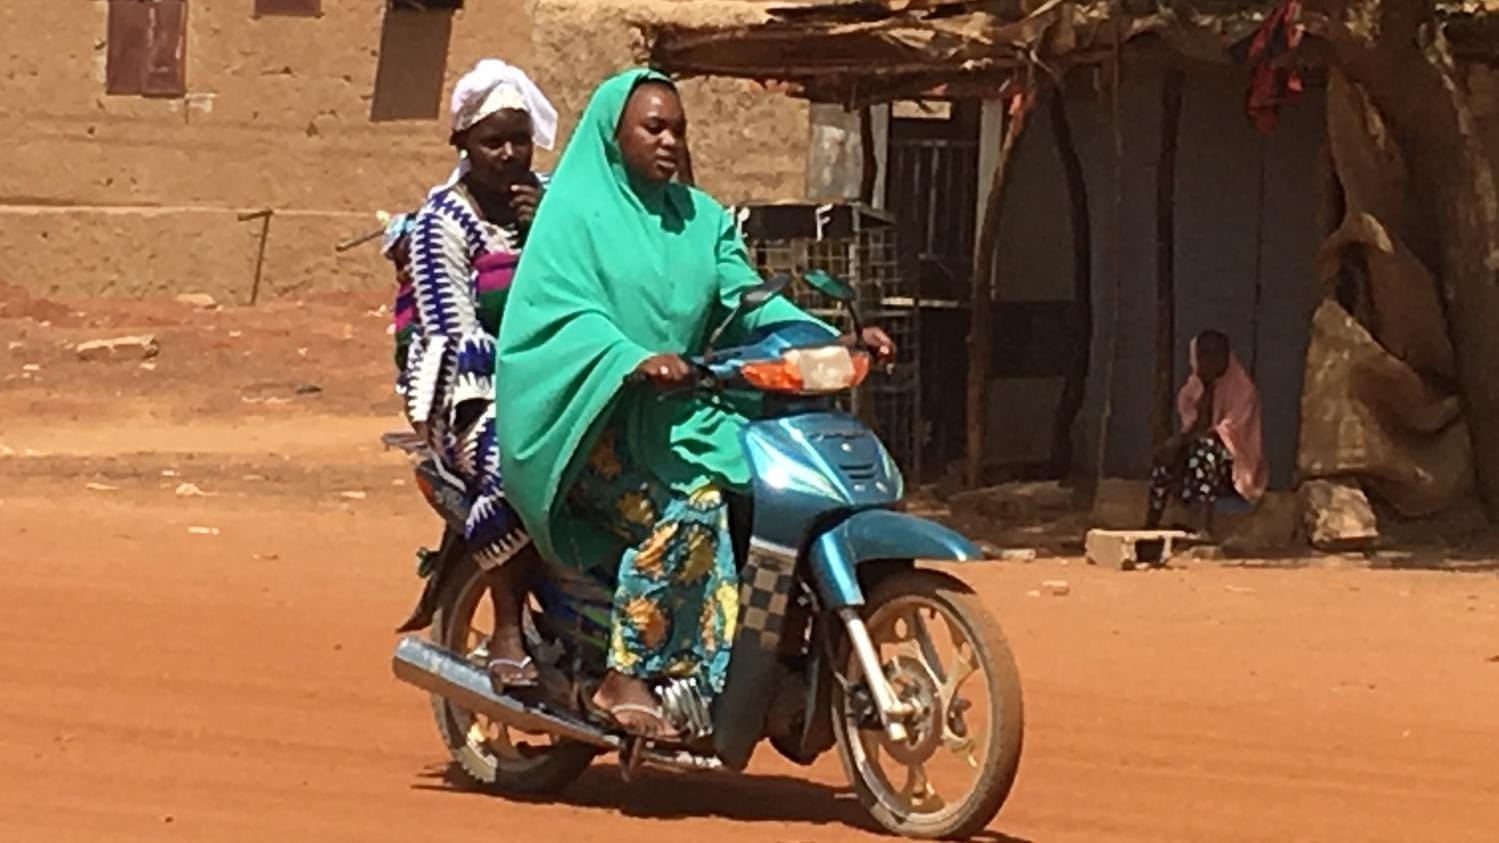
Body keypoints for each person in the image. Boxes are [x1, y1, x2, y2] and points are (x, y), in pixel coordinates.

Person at [496, 69, 894, 739]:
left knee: (764, 500)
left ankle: (761, 670)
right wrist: (630, 357)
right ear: (612, 135)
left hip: (687, 415)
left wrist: (831, 338)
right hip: (595, 425)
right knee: (694, 505)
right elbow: (562, 314)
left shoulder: (701, 218)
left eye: (677, 128)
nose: (669, 141)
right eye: (653, 127)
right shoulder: (571, 217)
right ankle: (627, 672)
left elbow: (749, 301)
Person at [400, 58, 559, 690]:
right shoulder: (443, 223)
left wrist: (543, 230)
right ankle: (507, 628)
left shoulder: (548, 204)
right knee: (508, 464)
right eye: (494, 140)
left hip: (555, 378)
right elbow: (452, 334)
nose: (510, 153)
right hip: (464, 393)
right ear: (462, 143)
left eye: (519, 138)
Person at [1145, 330, 1268, 536]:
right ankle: (1151, 524)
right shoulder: (1192, 390)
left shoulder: (1243, 390)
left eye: (1215, 355)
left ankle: (1204, 527)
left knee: (1205, 450)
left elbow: (1225, 435)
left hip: (1234, 468)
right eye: (1203, 355)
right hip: (1197, 461)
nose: (1208, 361)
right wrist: (1206, 390)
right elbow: (1192, 426)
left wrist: (1181, 442)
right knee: (1165, 456)